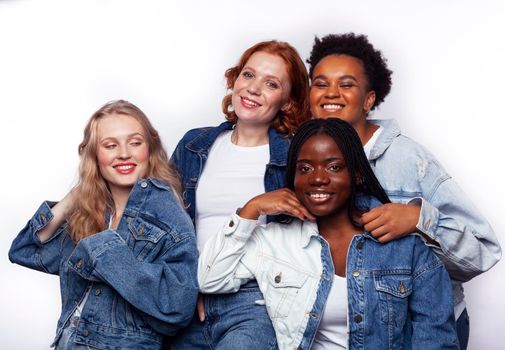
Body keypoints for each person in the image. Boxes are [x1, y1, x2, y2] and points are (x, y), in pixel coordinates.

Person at [306, 33, 501, 349]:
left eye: (346, 84)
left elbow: (483, 252)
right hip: (337, 332)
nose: (332, 93)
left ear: (369, 99)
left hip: (420, 330)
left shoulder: (409, 160)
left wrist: (419, 220)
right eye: (321, 83)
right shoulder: (298, 159)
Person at [199, 118, 459, 349]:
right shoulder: (274, 241)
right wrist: (251, 208)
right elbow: (209, 279)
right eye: (305, 168)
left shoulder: (406, 249)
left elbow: (437, 340)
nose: (318, 178)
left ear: (356, 174)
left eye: (334, 167)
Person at [9, 100, 199, 350]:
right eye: (110, 145)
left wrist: (105, 250)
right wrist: (76, 197)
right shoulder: (92, 214)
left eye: (135, 143)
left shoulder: (166, 211)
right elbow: (25, 250)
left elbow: (177, 307)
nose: (123, 153)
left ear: (150, 149)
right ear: (94, 156)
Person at [170, 40, 311, 349]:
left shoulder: (298, 157)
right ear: (234, 80)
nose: (253, 88)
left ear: (288, 102)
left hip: (256, 301)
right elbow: (168, 226)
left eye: (271, 83)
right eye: (248, 75)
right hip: (191, 302)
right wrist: (186, 287)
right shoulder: (195, 144)